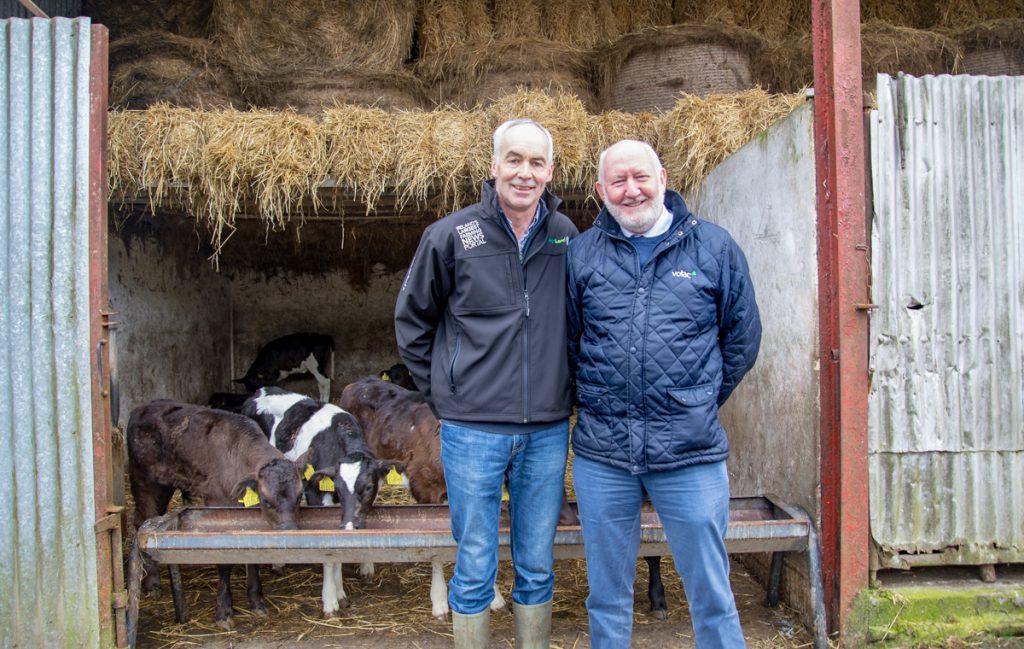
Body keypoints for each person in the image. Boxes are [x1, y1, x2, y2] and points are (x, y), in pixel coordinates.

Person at [566, 139, 762, 649]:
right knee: (606, 592)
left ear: (663, 178)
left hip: (689, 451)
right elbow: (567, 342)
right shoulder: (581, 253)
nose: (631, 191)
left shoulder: (713, 247)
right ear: (601, 190)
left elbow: (742, 339)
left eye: (641, 177)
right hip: (604, 453)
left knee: (710, 590)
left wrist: (697, 400)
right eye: (618, 181)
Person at [395, 118, 579, 649]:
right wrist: (446, 394)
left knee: (537, 562)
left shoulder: (565, 235)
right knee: (475, 561)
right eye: (514, 160)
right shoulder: (452, 235)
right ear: (494, 165)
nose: (525, 173)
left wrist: (565, 390)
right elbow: (412, 322)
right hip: (472, 430)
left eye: (536, 162)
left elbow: (580, 321)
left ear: (550, 171)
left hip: (546, 429)